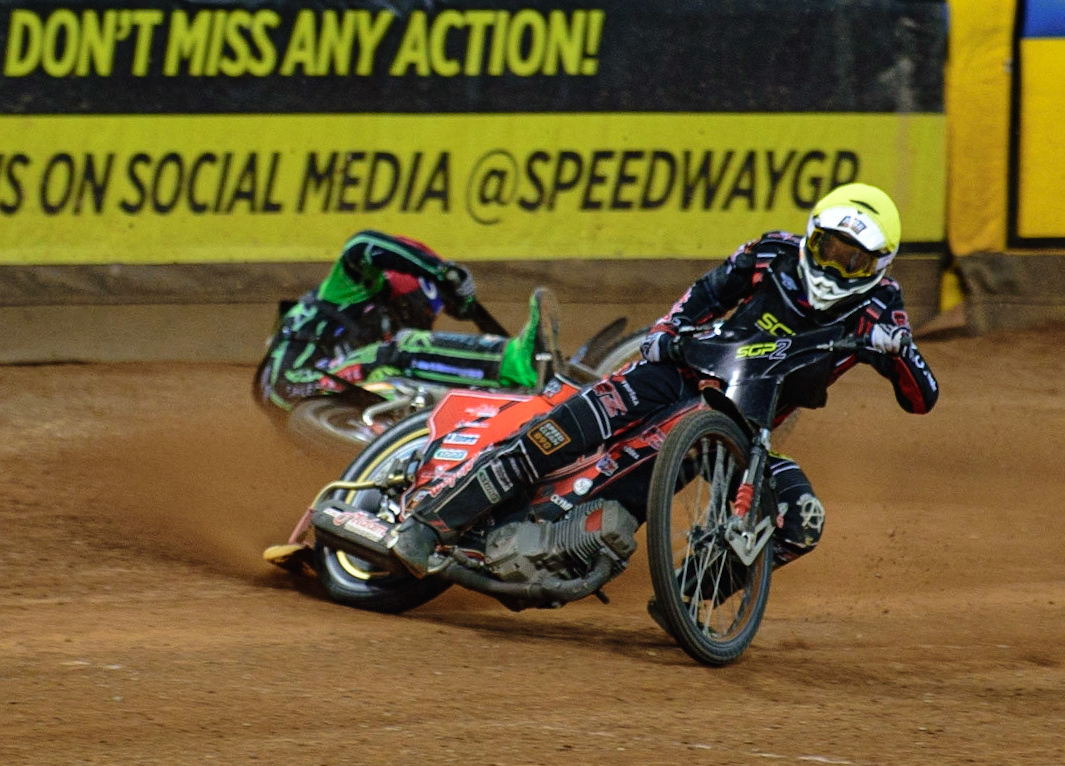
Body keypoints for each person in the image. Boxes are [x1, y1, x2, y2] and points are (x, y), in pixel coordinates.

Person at [387, 183, 939, 595]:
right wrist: (666, 333)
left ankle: (694, 596)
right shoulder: (771, 252)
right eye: (827, 250)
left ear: (880, 264)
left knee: (799, 520)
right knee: (559, 433)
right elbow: (706, 291)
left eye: (854, 261)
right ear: (810, 236)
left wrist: (899, 350)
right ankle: (430, 522)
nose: (835, 268)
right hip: (677, 370)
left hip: (744, 427)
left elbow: (923, 397)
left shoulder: (881, 308)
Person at [254, 230, 543, 413]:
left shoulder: (388, 331)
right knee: (403, 349)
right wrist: (440, 271)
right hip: (293, 381)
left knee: (417, 380)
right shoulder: (352, 288)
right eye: (417, 310)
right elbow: (362, 244)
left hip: (329, 408)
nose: (423, 320)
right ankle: (515, 362)